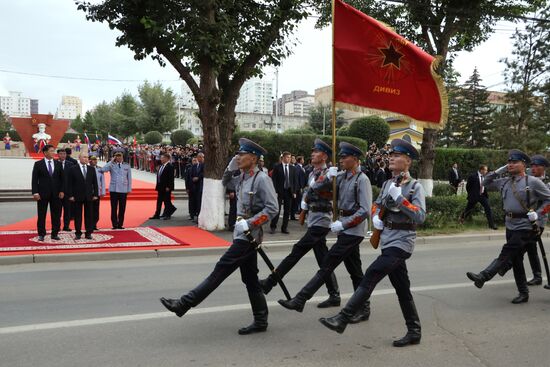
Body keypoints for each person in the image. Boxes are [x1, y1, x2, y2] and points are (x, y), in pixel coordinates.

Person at [160, 138, 279, 335]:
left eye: (242, 155)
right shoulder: (242, 177)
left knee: (220, 270)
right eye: (238, 154)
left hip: (249, 235)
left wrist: (250, 223)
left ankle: (184, 304)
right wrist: (232, 164)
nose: (239, 157)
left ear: (254, 158)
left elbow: (273, 208)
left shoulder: (262, 179)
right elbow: (225, 181)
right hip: (240, 233)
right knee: (250, 279)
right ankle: (261, 320)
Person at [319, 139, 426, 348]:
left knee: (371, 273)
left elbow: (420, 216)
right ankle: (414, 331)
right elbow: (376, 205)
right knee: (402, 288)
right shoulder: (387, 183)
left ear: (408, 162)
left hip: (402, 243)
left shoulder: (415, 187)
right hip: (387, 240)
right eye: (391, 155)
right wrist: (376, 217)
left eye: (397, 156)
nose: (392, 158)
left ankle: (343, 317)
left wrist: (401, 201)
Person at [278, 142, 372, 322]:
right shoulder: (342, 177)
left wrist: (343, 225)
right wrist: (327, 178)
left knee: (327, 263)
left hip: (354, 230)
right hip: (344, 227)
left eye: (345, 157)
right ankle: (364, 308)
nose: (342, 160)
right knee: (355, 271)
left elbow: (364, 210)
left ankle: (300, 299)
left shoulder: (362, 179)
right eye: (341, 157)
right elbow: (317, 189)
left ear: (355, 159)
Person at [260, 139, 356, 315]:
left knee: (297, 251)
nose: (312, 154)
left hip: (323, 220)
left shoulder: (331, 173)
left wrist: (323, 181)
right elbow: (309, 189)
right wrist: (305, 202)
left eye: (316, 152)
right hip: (313, 218)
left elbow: (319, 188)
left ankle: (270, 282)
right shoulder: (313, 172)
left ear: (324, 156)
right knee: (322, 258)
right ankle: (334, 295)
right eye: (312, 151)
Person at [466, 150, 550, 304]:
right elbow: (485, 182)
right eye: (509, 162)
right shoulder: (505, 181)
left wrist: (538, 213)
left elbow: (549, 199)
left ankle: (484, 276)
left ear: (524, 165)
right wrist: (501, 169)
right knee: (516, 259)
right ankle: (523, 293)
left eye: (514, 162)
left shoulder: (533, 182)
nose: (511, 164)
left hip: (525, 225)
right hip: (510, 225)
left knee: (507, 251)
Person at [31, 144, 65, 241]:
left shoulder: (58, 164)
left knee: (56, 215)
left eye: (53, 151)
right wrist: (35, 192)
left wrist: (62, 190)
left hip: (56, 194)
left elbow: (63, 179)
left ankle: (55, 233)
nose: (53, 153)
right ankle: (41, 234)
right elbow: (34, 179)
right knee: (42, 215)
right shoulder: (38, 164)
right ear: (45, 152)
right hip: (42, 194)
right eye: (51, 151)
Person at [67, 153, 98, 240]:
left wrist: (95, 194)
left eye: (87, 157)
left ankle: (88, 233)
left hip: (89, 196)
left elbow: (95, 183)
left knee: (89, 215)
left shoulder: (91, 169)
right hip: (77, 196)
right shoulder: (73, 169)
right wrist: (70, 195)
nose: (86, 159)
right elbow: (69, 183)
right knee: (78, 216)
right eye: (84, 157)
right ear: (79, 158)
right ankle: (78, 233)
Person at [100, 152, 132, 229]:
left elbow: (129, 178)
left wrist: (129, 189)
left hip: (123, 190)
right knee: (114, 208)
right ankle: (114, 224)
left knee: (122, 208)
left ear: (122, 157)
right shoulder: (111, 165)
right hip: (114, 189)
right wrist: (111, 161)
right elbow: (103, 169)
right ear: (115, 157)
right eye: (117, 156)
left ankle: (120, 224)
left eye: (120, 156)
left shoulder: (126, 165)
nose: (118, 158)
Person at [459, 165, 498, 230]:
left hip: (482, 195)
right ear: (481, 170)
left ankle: (492, 225)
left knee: (488, 208)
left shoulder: (485, 177)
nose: (486, 171)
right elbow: (468, 186)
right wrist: (471, 194)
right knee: (468, 209)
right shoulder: (473, 176)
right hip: (474, 196)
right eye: (485, 170)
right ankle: (461, 219)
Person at [270, 151, 296, 234]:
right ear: (283, 158)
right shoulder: (277, 167)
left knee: (287, 211)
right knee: (277, 209)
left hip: (289, 191)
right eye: (287, 157)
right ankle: (273, 226)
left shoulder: (292, 168)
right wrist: (275, 191)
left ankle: (284, 228)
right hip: (279, 191)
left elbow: (294, 181)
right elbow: (274, 180)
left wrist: (294, 191)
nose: (289, 159)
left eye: (289, 157)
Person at [149, 153, 177, 220]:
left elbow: (171, 178)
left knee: (167, 201)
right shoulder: (161, 166)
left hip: (166, 187)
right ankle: (157, 214)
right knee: (159, 201)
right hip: (160, 186)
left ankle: (167, 214)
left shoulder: (170, 166)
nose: (161, 159)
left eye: (162, 158)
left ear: (167, 158)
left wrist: (169, 187)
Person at [57, 149, 74, 231]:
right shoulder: (54, 163)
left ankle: (66, 226)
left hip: (68, 192)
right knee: (58, 210)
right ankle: (57, 226)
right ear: (58, 155)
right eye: (61, 154)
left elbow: (72, 179)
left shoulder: (70, 164)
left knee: (67, 210)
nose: (63, 155)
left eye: (64, 154)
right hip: (58, 192)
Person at [89, 156, 106, 230]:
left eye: (96, 160)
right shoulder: (87, 168)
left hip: (97, 192)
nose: (95, 161)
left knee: (96, 209)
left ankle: (94, 224)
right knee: (89, 209)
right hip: (89, 192)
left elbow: (102, 181)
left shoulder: (99, 169)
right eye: (93, 160)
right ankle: (89, 224)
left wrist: (103, 192)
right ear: (90, 161)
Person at [291, 156, 307, 220]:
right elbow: (297, 178)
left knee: (298, 201)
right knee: (296, 202)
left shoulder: (301, 167)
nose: (303, 160)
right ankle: (293, 215)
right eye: (303, 159)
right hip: (298, 188)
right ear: (300, 160)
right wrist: (299, 187)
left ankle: (294, 214)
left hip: (301, 187)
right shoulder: (297, 167)